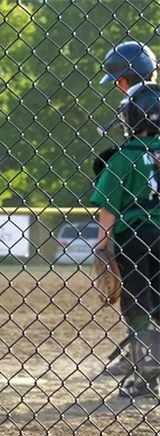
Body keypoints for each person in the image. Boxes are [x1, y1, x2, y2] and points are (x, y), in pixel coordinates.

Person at [91, 83, 160, 397]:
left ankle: (145, 377)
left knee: (138, 304)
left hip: (134, 238)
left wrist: (102, 245)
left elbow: (109, 207)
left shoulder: (122, 158)